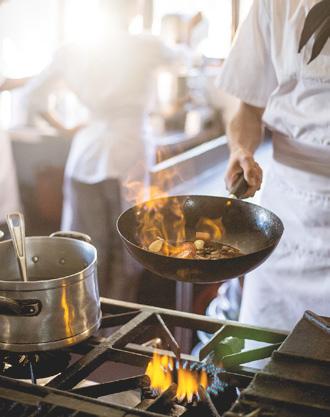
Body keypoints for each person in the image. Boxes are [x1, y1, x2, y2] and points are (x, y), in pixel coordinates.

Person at [25, 0, 181, 300]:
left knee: (85, 247)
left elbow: (32, 96)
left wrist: (64, 128)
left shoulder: (72, 50)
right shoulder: (146, 46)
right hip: (128, 150)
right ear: (132, 9)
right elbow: (185, 57)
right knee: (127, 246)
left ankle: (82, 319)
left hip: (87, 151)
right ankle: (117, 323)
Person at [216, 0, 330, 331]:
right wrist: (241, 149)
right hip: (290, 215)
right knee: (264, 362)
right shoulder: (275, 3)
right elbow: (248, 110)